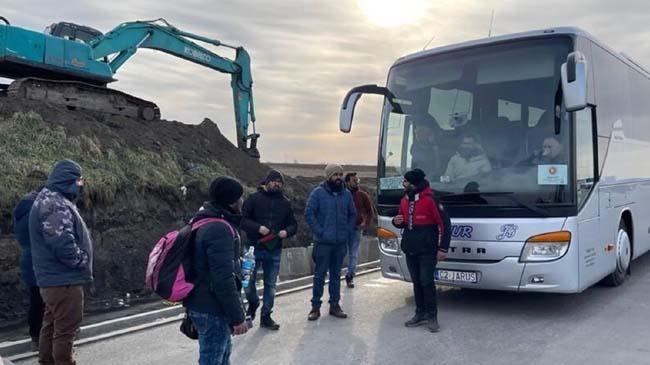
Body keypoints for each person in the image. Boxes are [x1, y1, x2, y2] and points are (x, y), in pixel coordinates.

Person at [29, 159, 92, 364]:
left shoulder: (48, 199)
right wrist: (81, 260)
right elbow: (61, 242)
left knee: (51, 326)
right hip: (63, 280)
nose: (81, 185)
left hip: (53, 280)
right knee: (66, 331)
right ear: (69, 180)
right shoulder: (54, 203)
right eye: (79, 180)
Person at [183, 176, 249, 365]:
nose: (242, 201)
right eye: (239, 197)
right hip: (212, 308)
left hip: (202, 303)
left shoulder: (203, 219)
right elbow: (223, 279)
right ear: (231, 201)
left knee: (221, 358)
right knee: (213, 360)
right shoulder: (218, 229)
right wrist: (238, 317)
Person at [392, 168, 451, 333]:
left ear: (413, 183)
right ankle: (420, 313)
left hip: (427, 249)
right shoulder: (404, 200)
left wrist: (443, 248)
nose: (403, 184)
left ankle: (432, 316)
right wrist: (397, 221)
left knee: (426, 281)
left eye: (405, 181)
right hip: (410, 248)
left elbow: (445, 224)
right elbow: (403, 220)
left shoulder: (431, 199)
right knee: (417, 282)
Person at [241, 170, 298, 330]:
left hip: (274, 249)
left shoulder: (285, 203)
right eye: (273, 181)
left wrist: (286, 232)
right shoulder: (253, 199)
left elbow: (293, 224)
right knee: (246, 282)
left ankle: (266, 316)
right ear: (266, 182)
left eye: (280, 182)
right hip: (252, 248)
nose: (277, 184)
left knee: (270, 284)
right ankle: (253, 302)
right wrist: (258, 228)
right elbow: (242, 220)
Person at [304, 164, 356, 321]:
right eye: (335, 174)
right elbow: (309, 213)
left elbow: (352, 214)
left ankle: (335, 305)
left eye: (340, 174)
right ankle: (315, 307)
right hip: (323, 243)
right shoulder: (318, 193)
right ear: (328, 176)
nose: (339, 177)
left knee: (336, 275)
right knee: (319, 276)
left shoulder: (346, 194)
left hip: (340, 243)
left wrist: (347, 230)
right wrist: (320, 231)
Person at [14, 188, 44, 352]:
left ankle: (35, 338)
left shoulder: (21, 209)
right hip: (43, 261)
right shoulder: (40, 208)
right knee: (48, 301)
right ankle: (46, 340)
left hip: (28, 259)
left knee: (35, 300)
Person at [343, 172, 375, 288]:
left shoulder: (362, 195)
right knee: (341, 253)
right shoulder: (341, 195)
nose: (356, 182)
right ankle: (335, 276)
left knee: (353, 254)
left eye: (357, 180)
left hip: (356, 229)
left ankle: (350, 276)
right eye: (354, 180)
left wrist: (365, 224)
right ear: (347, 182)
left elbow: (370, 212)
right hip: (342, 230)